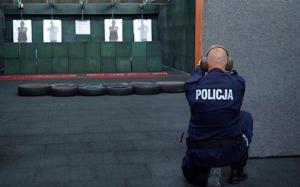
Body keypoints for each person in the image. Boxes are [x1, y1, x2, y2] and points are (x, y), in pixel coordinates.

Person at [181, 45, 253, 187]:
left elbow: (194, 77)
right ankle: (236, 172)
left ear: (205, 64)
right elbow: (233, 76)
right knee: (246, 117)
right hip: (230, 151)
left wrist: (199, 69)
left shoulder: (192, 85)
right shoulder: (238, 83)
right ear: (228, 63)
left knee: (194, 177)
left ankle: (205, 171)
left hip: (199, 153)